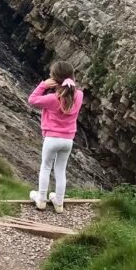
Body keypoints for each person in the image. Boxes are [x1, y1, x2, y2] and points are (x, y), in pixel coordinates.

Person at [28, 60, 84, 214]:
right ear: (72, 77)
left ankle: (41, 199)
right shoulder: (79, 95)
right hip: (68, 140)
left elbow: (32, 100)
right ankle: (59, 202)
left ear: (54, 79)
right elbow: (72, 93)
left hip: (52, 138)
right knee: (61, 170)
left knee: (45, 168)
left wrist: (44, 85)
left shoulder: (53, 99)